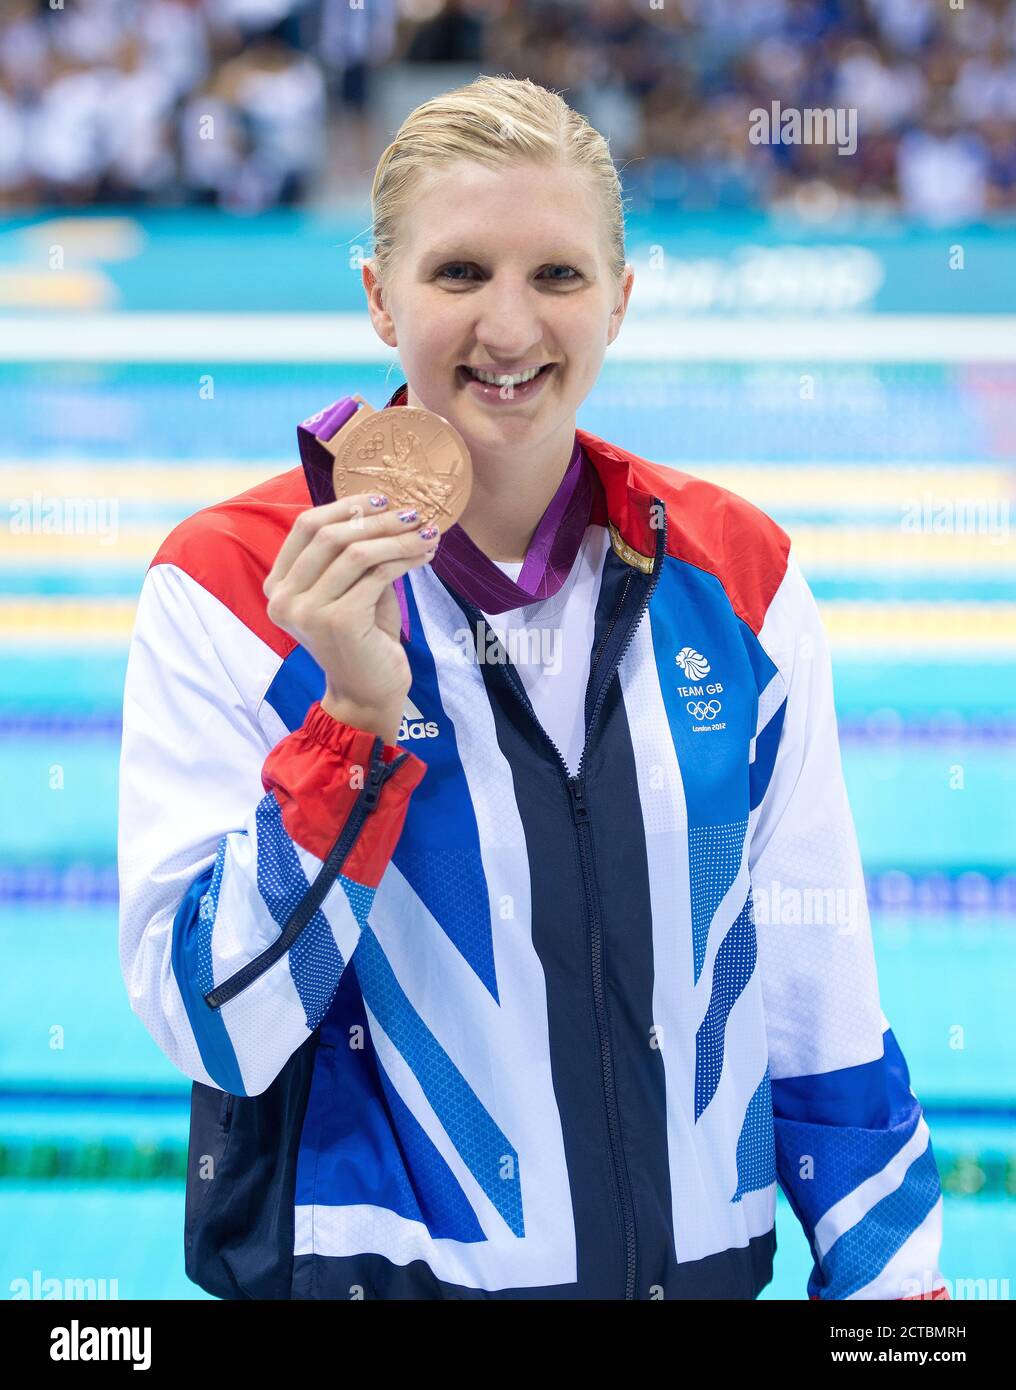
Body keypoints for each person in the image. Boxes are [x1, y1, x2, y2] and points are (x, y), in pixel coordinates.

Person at [117, 74, 949, 1301]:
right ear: (375, 295)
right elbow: (219, 1028)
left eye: (555, 276)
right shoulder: (232, 589)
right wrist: (348, 725)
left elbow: (817, 989)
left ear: (620, 299)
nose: (507, 330)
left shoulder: (734, 576)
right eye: (458, 274)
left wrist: (898, 1302)